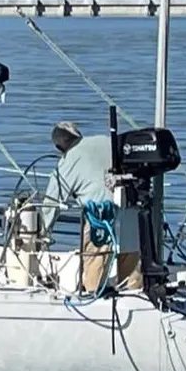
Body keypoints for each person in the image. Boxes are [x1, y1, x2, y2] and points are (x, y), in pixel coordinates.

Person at [43, 121, 141, 291]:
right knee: (132, 277)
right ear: (78, 136)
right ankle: (136, 298)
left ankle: (93, 296)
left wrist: (41, 233)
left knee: (94, 272)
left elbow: (52, 201)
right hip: (131, 213)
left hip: (101, 218)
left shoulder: (69, 159)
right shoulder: (106, 141)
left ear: (60, 147)